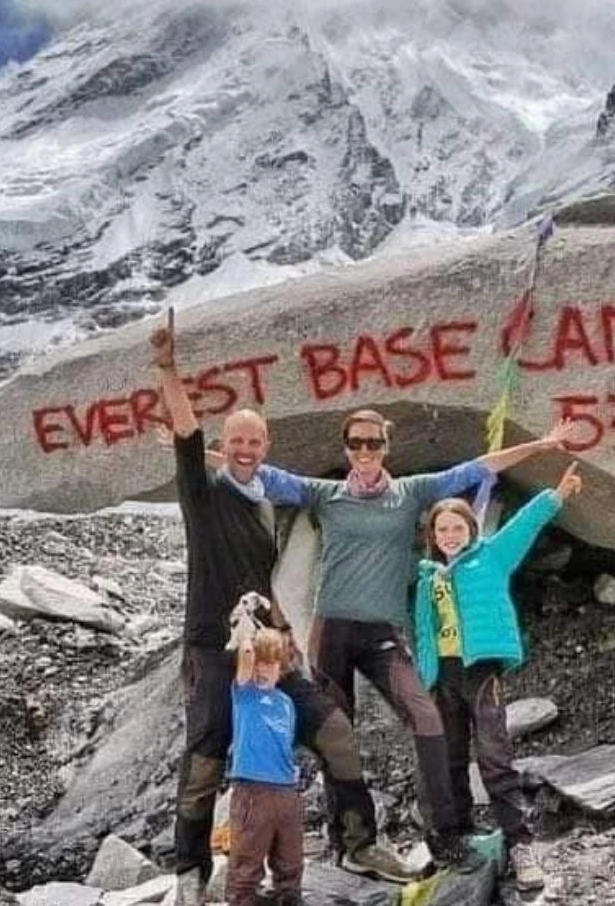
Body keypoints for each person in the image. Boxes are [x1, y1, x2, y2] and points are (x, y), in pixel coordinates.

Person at [153, 320, 418, 906]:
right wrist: (169, 371)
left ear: (265, 449)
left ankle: (356, 841)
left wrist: (284, 627)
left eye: (255, 443)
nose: (246, 452)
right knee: (204, 758)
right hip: (211, 649)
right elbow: (185, 434)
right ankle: (191, 869)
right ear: (227, 446)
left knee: (335, 730)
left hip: (268, 646)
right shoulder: (205, 495)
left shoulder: (264, 506)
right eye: (237, 442)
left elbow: (257, 580)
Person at [257, 408, 573, 870]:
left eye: (374, 443)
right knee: (335, 734)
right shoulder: (325, 494)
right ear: (345, 448)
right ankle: (352, 841)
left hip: (381, 632)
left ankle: (445, 833)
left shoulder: (411, 492)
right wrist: (190, 449)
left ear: (386, 446)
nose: (365, 451)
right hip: (332, 630)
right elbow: (261, 474)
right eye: (356, 443)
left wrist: (541, 446)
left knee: (428, 720)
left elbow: (477, 469)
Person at [413, 462, 584, 892]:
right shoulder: (426, 577)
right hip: (441, 678)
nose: (450, 536)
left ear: (471, 529)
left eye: (457, 528)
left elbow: (524, 526)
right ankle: (458, 839)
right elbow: (420, 631)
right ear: (433, 538)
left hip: (481, 672)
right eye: (442, 531)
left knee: (494, 759)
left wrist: (556, 495)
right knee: (448, 761)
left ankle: (522, 844)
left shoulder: (489, 556)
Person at [226, 627, 303, 906]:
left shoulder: (286, 703)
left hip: (286, 791)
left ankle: (290, 898)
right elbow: (246, 654)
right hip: (252, 790)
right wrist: (246, 630)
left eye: (269, 663)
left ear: (280, 667)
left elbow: (287, 743)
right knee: (247, 861)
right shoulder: (244, 694)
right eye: (258, 662)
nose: (262, 668)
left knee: (291, 859)